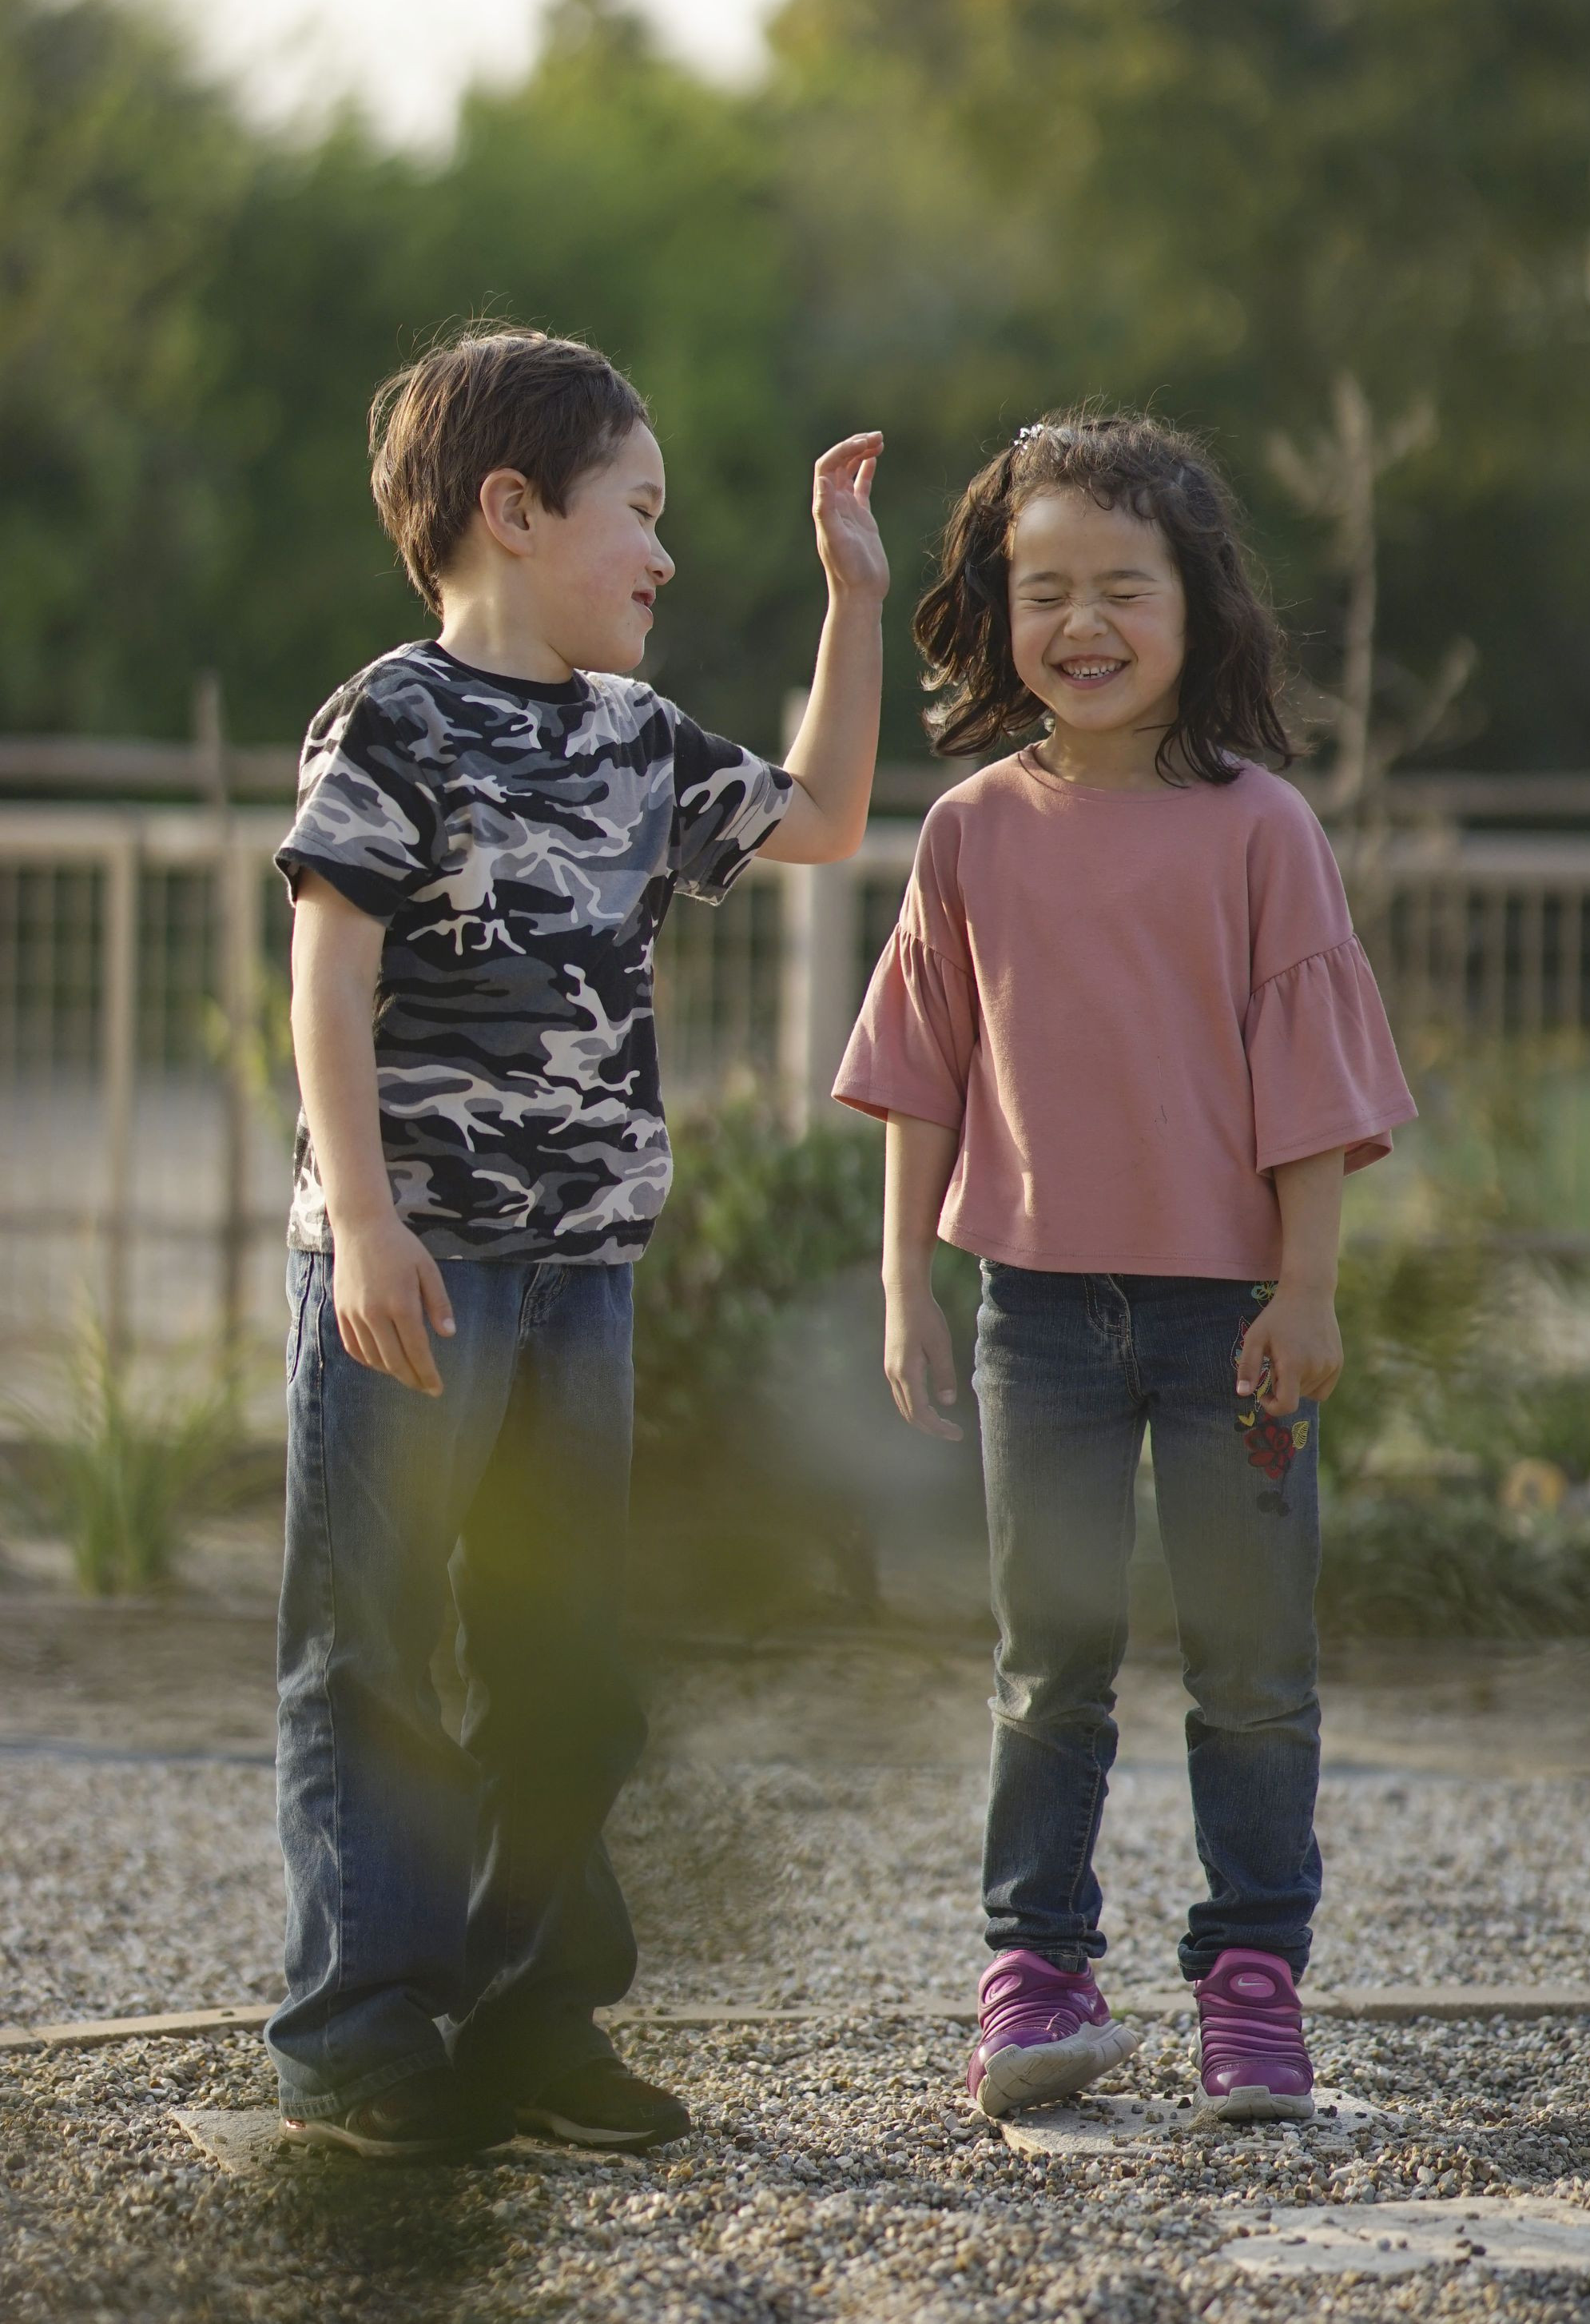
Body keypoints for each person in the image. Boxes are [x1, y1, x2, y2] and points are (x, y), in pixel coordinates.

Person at [270, 327, 887, 2162]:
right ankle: (363, 2034)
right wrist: (363, 1221)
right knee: (374, 1642)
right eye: (640, 509)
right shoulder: (389, 718)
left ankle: (535, 2018)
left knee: (559, 1650)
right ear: (512, 511)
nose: (664, 554)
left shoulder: (634, 736)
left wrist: (854, 602)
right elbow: (327, 974)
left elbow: (826, 819)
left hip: (582, 1268)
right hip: (413, 1271)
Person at [834, 411, 1414, 2122]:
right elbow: (919, 1074)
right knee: (1049, 1660)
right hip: (1033, 1318)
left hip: (1234, 1322)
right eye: (1044, 591)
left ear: (1195, 604)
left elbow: (1313, 1088)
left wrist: (1306, 1288)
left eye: (1120, 588)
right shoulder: (968, 832)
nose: (1080, 624)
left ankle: (1252, 1981)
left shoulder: (1261, 830)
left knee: (1251, 1668)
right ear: (995, 611)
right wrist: (901, 1280)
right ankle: (1034, 1973)